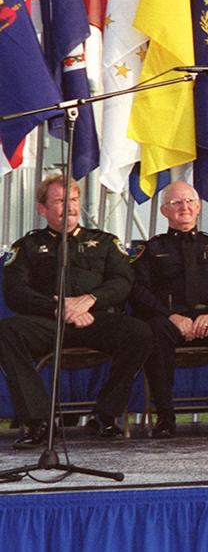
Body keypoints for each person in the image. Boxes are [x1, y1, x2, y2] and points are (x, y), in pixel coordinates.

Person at [0, 175, 151, 446]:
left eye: (72, 200)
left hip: (96, 320)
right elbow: (15, 292)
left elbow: (123, 281)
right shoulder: (28, 246)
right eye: (59, 201)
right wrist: (59, 308)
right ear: (42, 209)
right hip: (49, 322)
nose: (68, 206)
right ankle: (39, 422)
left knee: (138, 332)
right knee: (6, 332)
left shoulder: (104, 242)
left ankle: (105, 416)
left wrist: (90, 299)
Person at [130, 180, 208, 438]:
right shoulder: (151, 250)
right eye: (176, 202)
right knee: (153, 330)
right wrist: (170, 316)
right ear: (164, 211)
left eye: (189, 201)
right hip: (169, 321)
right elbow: (138, 290)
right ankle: (165, 417)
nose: (184, 207)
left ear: (198, 207)